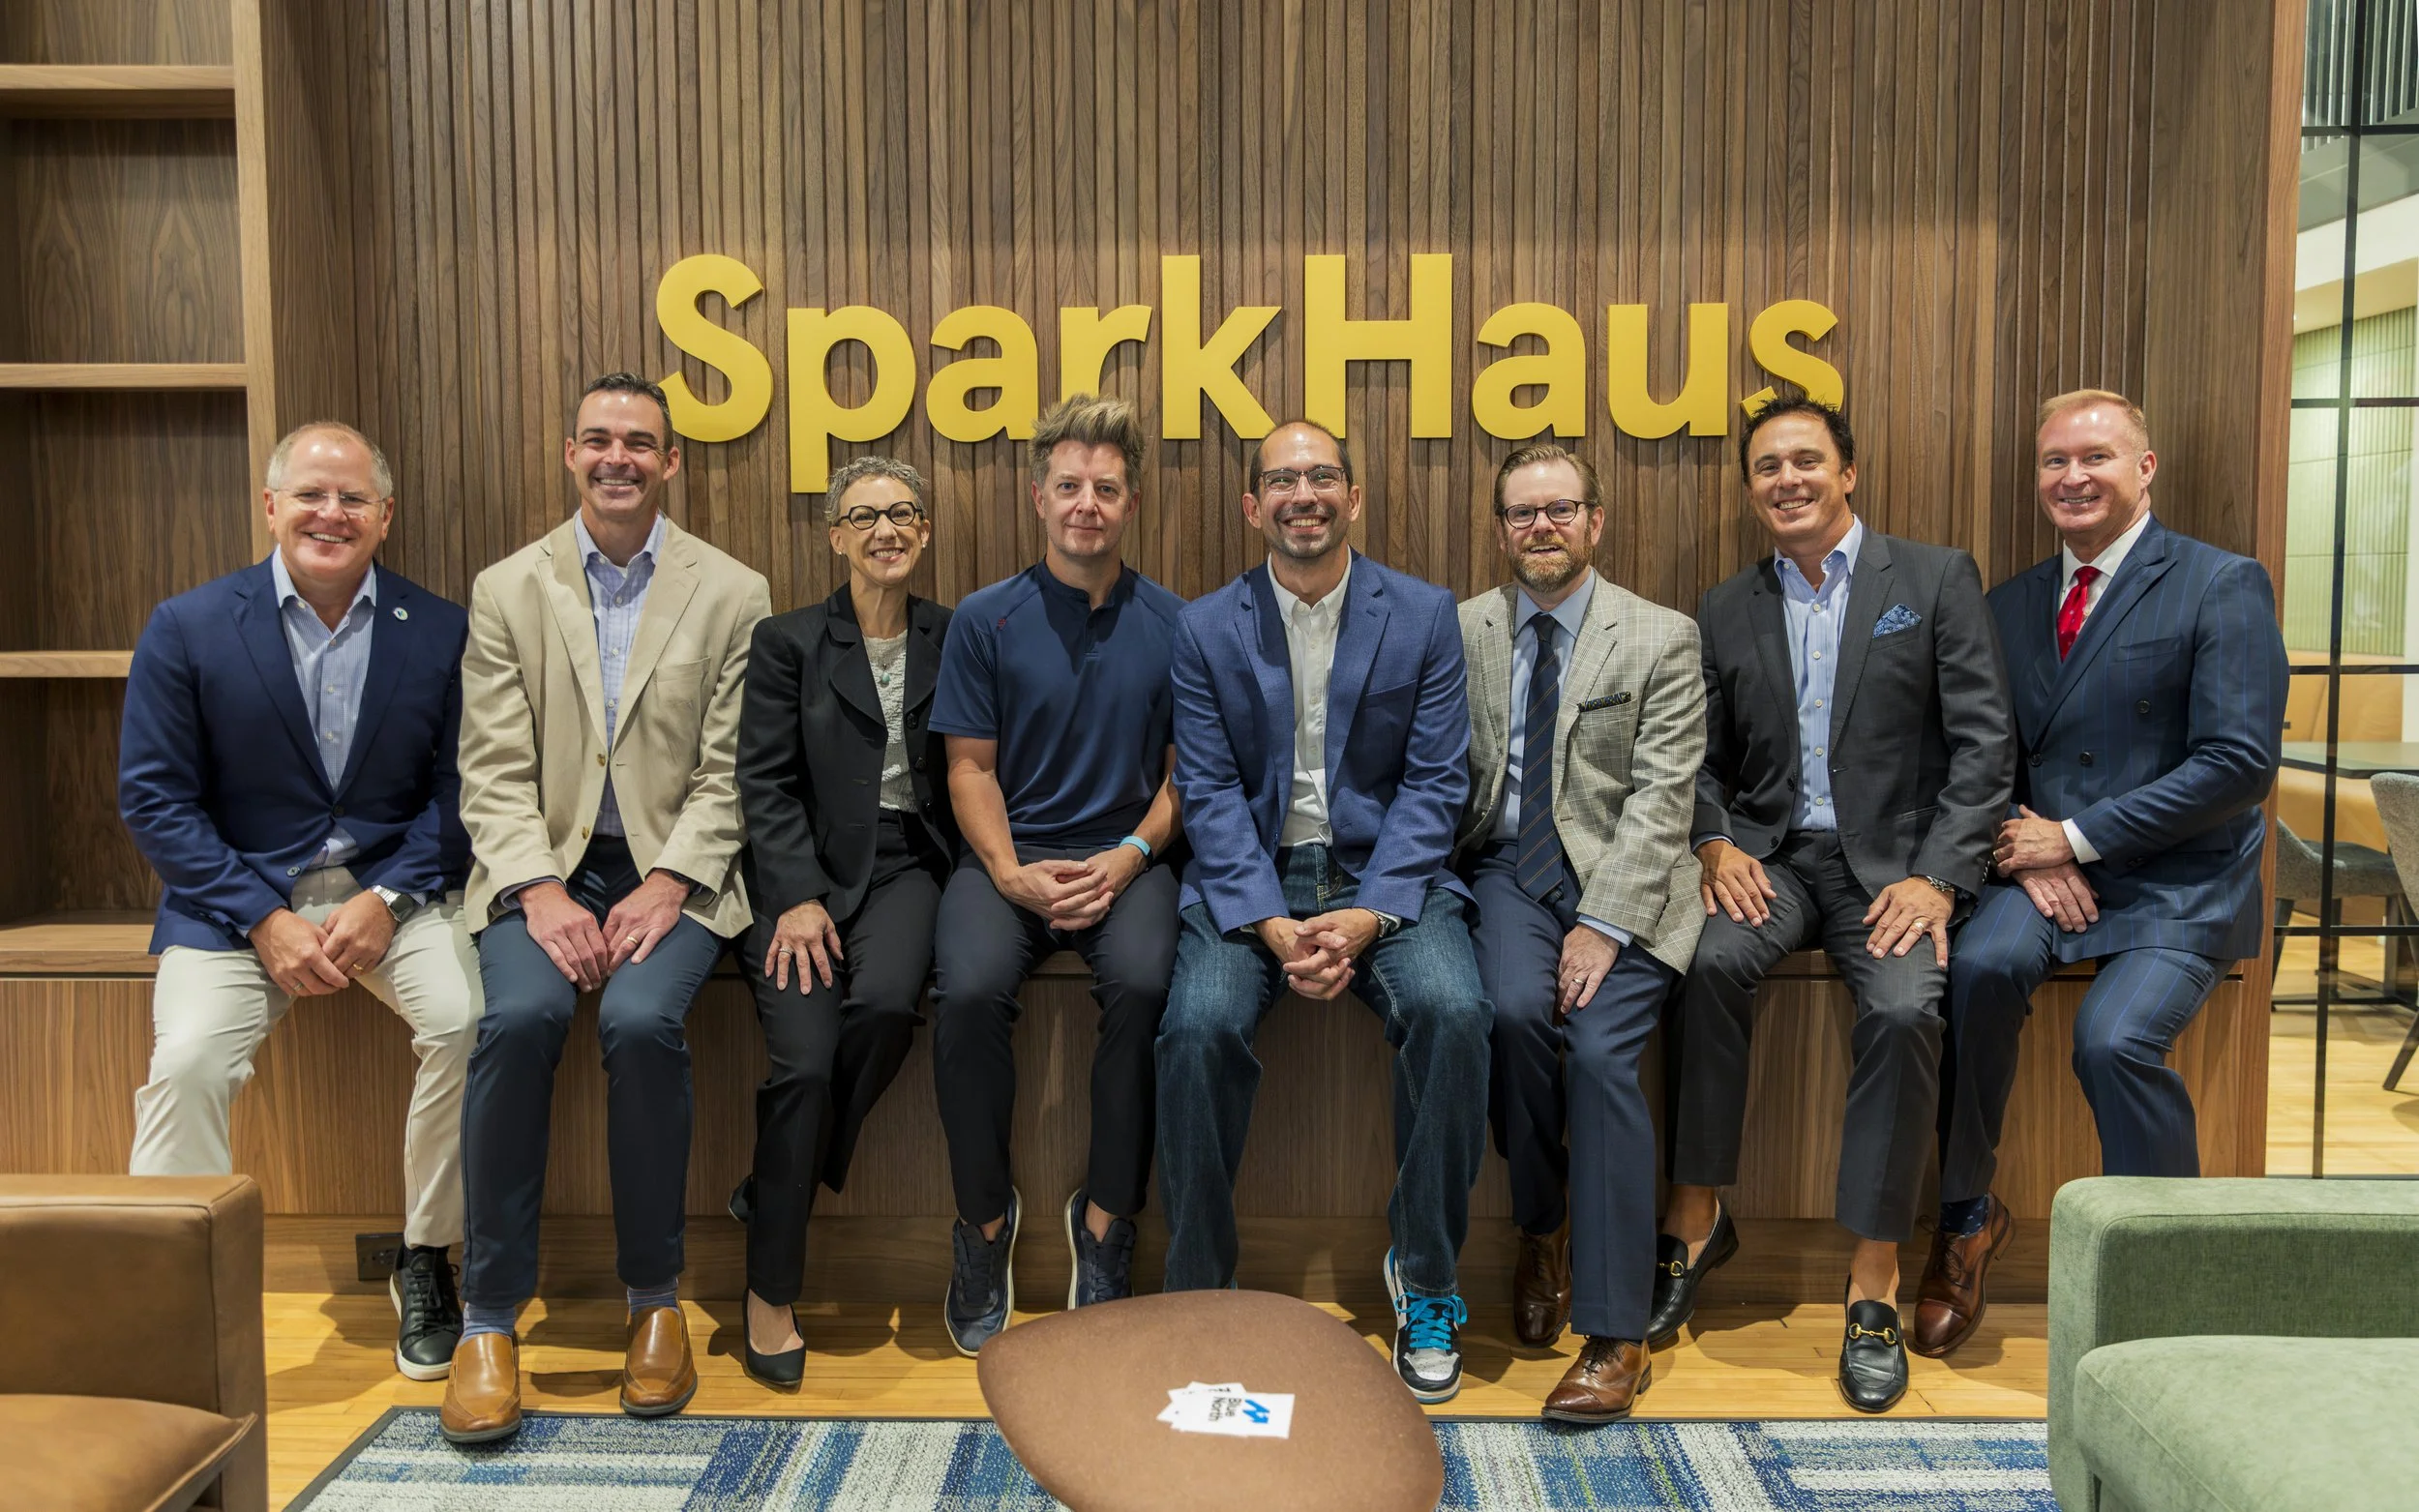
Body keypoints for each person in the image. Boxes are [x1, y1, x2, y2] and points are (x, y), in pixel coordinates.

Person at [1656, 388, 2014, 1412]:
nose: (1787, 480)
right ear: (1750, 488)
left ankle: (1872, 1278)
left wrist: (1939, 877)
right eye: (1767, 467)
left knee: (1904, 1010)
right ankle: (1695, 1216)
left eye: (1805, 461)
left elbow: (1985, 746)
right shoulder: (1727, 607)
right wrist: (1715, 839)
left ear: (1846, 473)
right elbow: (1698, 757)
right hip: (1771, 860)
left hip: (1893, 870)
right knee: (1706, 963)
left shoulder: (1933, 580)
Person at [439, 372, 770, 1443]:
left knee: (639, 1021)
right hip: (542, 874)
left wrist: (671, 881)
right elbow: (489, 770)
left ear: (672, 463)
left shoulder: (732, 591)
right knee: (519, 1020)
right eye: (598, 440)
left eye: (640, 442)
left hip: (676, 875)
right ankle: (489, 1320)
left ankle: (653, 1302)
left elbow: (731, 771)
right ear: (570, 456)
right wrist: (537, 889)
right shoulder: (507, 589)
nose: (618, 457)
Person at [1923, 390, 2285, 1358]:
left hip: (2177, 883)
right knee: (1973, 972)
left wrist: (2077, 839)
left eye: (2094, 457)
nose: (2071, 478)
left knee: (2113, 1040)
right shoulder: (2006, 603)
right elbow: (1972, 753)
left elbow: (2237, 764)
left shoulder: (2220, 584)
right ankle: (1963, 1216)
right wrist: (2020, 841)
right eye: (2052, 461)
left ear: (2145, 467)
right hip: (2035, 873)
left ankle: (2166, 1272)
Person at [120, 421, 480, 1383]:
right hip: (233, 907)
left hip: (395, 897)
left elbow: (467, 795)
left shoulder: (441, 629)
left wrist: (388, 898)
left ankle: (426, 1258)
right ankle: (163, 1294)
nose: (332, 513)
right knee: (189, 1059)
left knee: (463, 1022)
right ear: (271, 505)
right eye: (311, 495)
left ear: (385, 516)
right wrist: (262, 917)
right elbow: (154, 797)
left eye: (353, 498)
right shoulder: (188, 625)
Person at [1157, 418, 1489, 1405]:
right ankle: (1198, 1294)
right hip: (1248, 880)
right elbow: (1209, 794)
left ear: (1355, 498)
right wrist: (1267, 921)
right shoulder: (1204, 625)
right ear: (1251, 506)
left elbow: (1435, 785)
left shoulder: (1423, 615)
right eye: (1281, 481)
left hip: (1388, 878)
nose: (1302, 494)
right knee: (1196, 1029)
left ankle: (1424, 1277)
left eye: (1322, 477)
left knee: (1456, 1013)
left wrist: (1365, 916)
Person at [928, 393, 1183, 1355]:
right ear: (1038, 498)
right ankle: (984, 1224)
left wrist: (1126, 860)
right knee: (968, 991)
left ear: (1130, 503)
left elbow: (1184, 779)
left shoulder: (1176, 624)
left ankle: (1107, 1221)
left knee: (1150, 983)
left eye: (1106, 489)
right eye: (1070, 485)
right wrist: (1007, 871)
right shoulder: (985, 621)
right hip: (1008, 860)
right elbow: (968, 768)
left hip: (1130, 860)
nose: (1088, 503)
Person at [1454, 444, 1705, 1422]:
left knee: (1600, 1055)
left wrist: (1603, 926)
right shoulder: (1463, 629)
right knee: (1512, 1015)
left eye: (1560, 510)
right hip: (1505, 873)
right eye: (1522, 514)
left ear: (1595, 521)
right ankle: (1541, 1224)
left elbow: (1661, 799)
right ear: (1502, 527)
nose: (1542, 527)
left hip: (1626, 886)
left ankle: (1615, 1333)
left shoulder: (1660, 636)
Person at [727, 456, 957, 1385]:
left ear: (925, 531)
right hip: (801, 877)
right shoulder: (787, 642)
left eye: (903, 513)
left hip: (912, 868)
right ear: (833, 536)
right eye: (863, 517)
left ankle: (774, 1190)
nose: (885, 530)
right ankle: (769, 1287)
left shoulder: (956, 633)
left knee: (890, 1004)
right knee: (806, 1060)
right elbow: (763, 781)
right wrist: (797, 896)